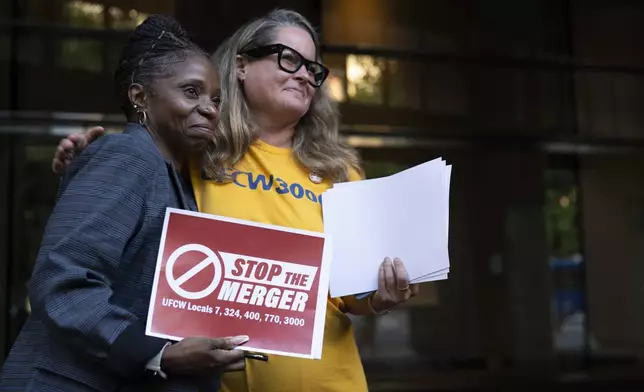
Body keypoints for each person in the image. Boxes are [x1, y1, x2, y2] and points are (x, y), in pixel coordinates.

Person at [49, 9, 421, 392]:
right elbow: (125, 218)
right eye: (289, 59)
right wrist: (83, 165)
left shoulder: (340, 171)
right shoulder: (193, 150)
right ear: (242, 65)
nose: (305, 75)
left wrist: (380, 296)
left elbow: (351, 294)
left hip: (327, 380)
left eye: (314, 69)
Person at [0, 15, 248, 392]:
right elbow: (62, 280)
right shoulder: (127, 155)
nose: (211, 109)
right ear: (140, 96)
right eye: (191, 92)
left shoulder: (174, 176)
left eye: (216, 99)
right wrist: (158, 353)